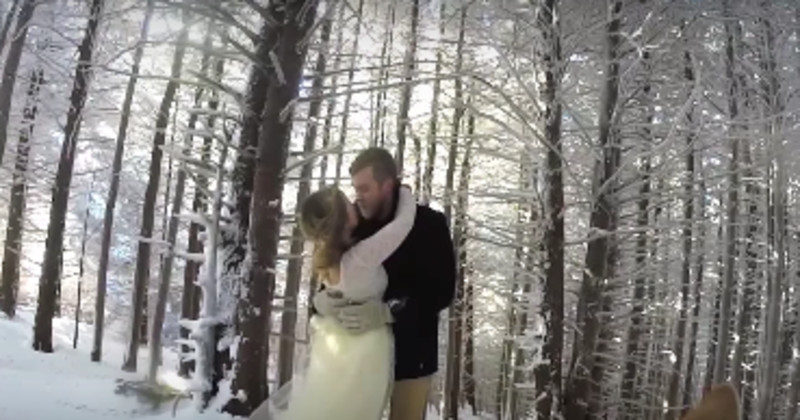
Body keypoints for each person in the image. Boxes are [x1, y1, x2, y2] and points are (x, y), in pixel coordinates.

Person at [250, 183, 418, 420]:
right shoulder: (361, 257)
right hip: (364, 350)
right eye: (348, 204)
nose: (354, 202)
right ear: (343, 220)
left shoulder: (327, 257)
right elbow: (403, 224)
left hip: (334, 346)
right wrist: (405, 193)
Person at [314, 147, 456, 420]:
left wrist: (387, 312)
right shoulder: (352, 223)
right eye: (355, 188)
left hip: (412, 356)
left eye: (364, 188)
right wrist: (321, 304)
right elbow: (332, 274)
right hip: (359, 358)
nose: (358, 196)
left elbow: (441, 291)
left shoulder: (430, 224)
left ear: (387, 185)